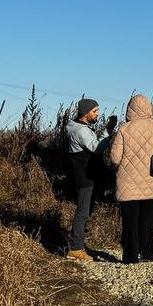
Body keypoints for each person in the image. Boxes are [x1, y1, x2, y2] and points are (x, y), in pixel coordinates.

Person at [107, 94, 153, 264]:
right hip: (150, 180)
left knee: (130, 222)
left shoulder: (124, 129)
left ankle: (130, 256)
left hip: (127, 183)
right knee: (147, 221)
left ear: (130, 109)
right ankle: (148, 253)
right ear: (148, 108)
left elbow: (114, 157)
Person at [63, 98, 116, 262]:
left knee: (83, 211)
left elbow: (92, 142)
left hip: (83, 176)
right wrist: (109, 136)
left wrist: (106, 132)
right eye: (95, 111)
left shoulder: (78, 128)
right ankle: (76, 248)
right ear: (86, 112)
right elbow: (96, 148)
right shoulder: (81, 131)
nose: (97, 114)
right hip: (85, 177)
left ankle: (77, 244)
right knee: (82, 213)